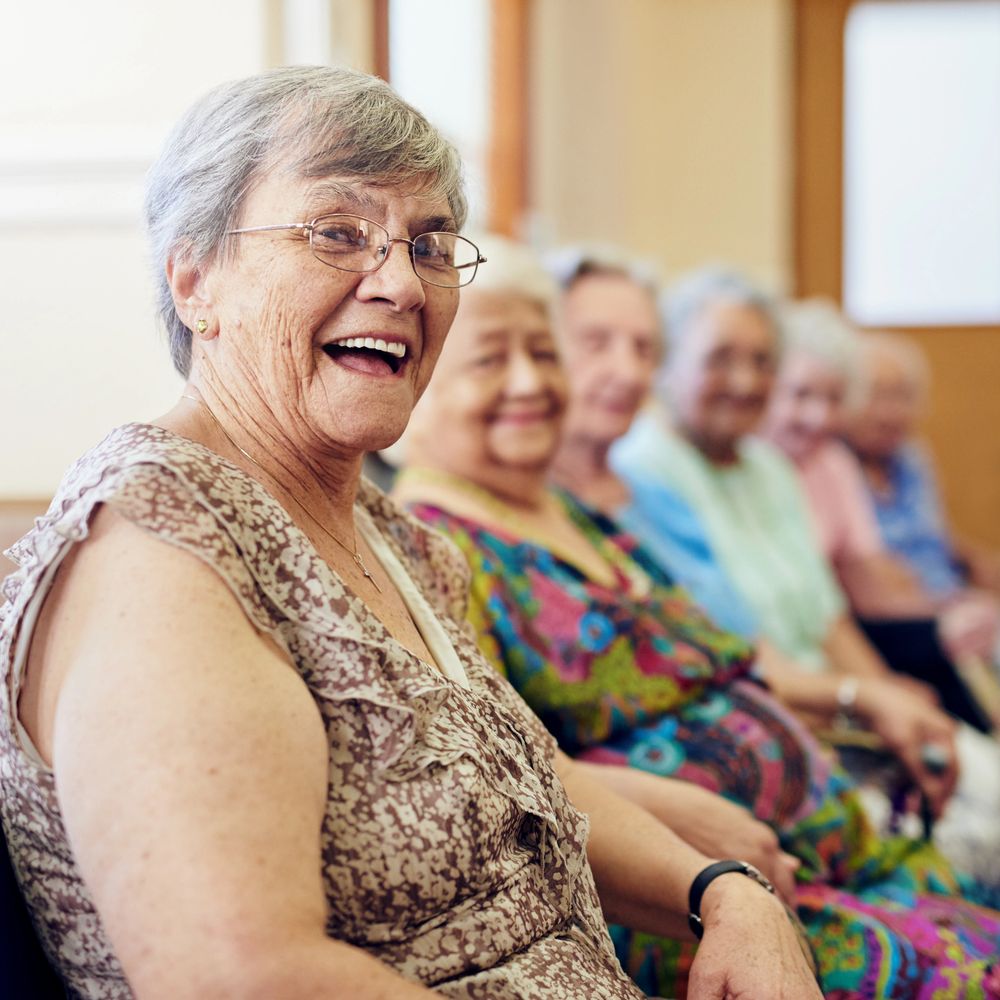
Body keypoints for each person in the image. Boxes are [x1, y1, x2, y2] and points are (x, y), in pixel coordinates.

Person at [0, 69, 822, 1000]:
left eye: (430, 243)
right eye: (337, 234)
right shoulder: (161, 553)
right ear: (194, 280)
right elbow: (241, 978)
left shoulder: (389, 534)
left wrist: (726, 895)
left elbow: (518, 783)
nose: (398, 282)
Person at [394, 236, 1000, 1000]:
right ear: (417, 381)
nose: (530, 382)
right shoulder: (432, 546)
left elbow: (719, 653)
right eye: (489, 360)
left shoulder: (575, 514)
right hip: (698, 895)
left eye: (544, 353)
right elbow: (515, 769)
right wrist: (695, 846)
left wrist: (862, 694)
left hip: (834, 844)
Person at [609, 264, 1000, 889]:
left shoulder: (769, 466)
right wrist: (863, 702)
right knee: (975, 852)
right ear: (670, 363)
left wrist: (897, 708)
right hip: (787, 729)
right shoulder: (645, 471)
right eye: (721, 358)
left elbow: (830, 616)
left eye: (763, 361)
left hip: (848, 714)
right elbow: (731, 654)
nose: (745, 380)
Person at [760, 299, 999, 730]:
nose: (818, 416)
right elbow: (846, 598)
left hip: (847, 649)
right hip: (806, 665)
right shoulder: (762, 467)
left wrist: (879, 687)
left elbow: (858, 578)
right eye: (800, 395)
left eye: (834, 399)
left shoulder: (834, 463)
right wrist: (873, 690)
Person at [845, 331, 1000, 603]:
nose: (889, 412)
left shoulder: (912, 457)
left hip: (951, 597)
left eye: (901, 396)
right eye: (876, 395)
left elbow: (935, 536)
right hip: (902, 613)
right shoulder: (835, 466)